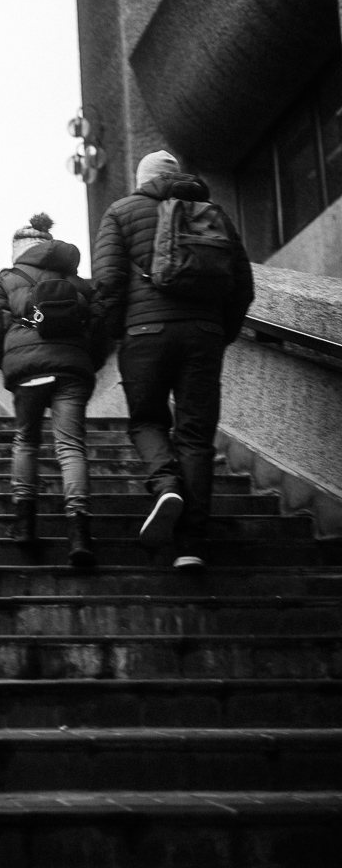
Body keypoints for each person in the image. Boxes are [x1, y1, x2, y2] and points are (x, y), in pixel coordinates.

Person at [92, 150, 254, 570]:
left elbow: (108, 281)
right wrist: (221, 333)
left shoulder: (120, 211)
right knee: (196, 438)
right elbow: (243, 287)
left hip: (144, 335)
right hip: (203, 336)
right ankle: (192, 546)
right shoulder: (213, 213)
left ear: (141, 179)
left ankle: (166, 484)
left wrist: (116, 330)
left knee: (147, 421)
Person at [0, 213, 107, 571]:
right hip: (71, 370)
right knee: (70, 447)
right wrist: (84, 360)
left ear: (18, 251)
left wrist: (9, 359)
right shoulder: (78, 282)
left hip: (27, 373)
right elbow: (101, 324)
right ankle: (79, 535)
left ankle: (24, 525)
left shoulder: (3, 281)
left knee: (27, 442)